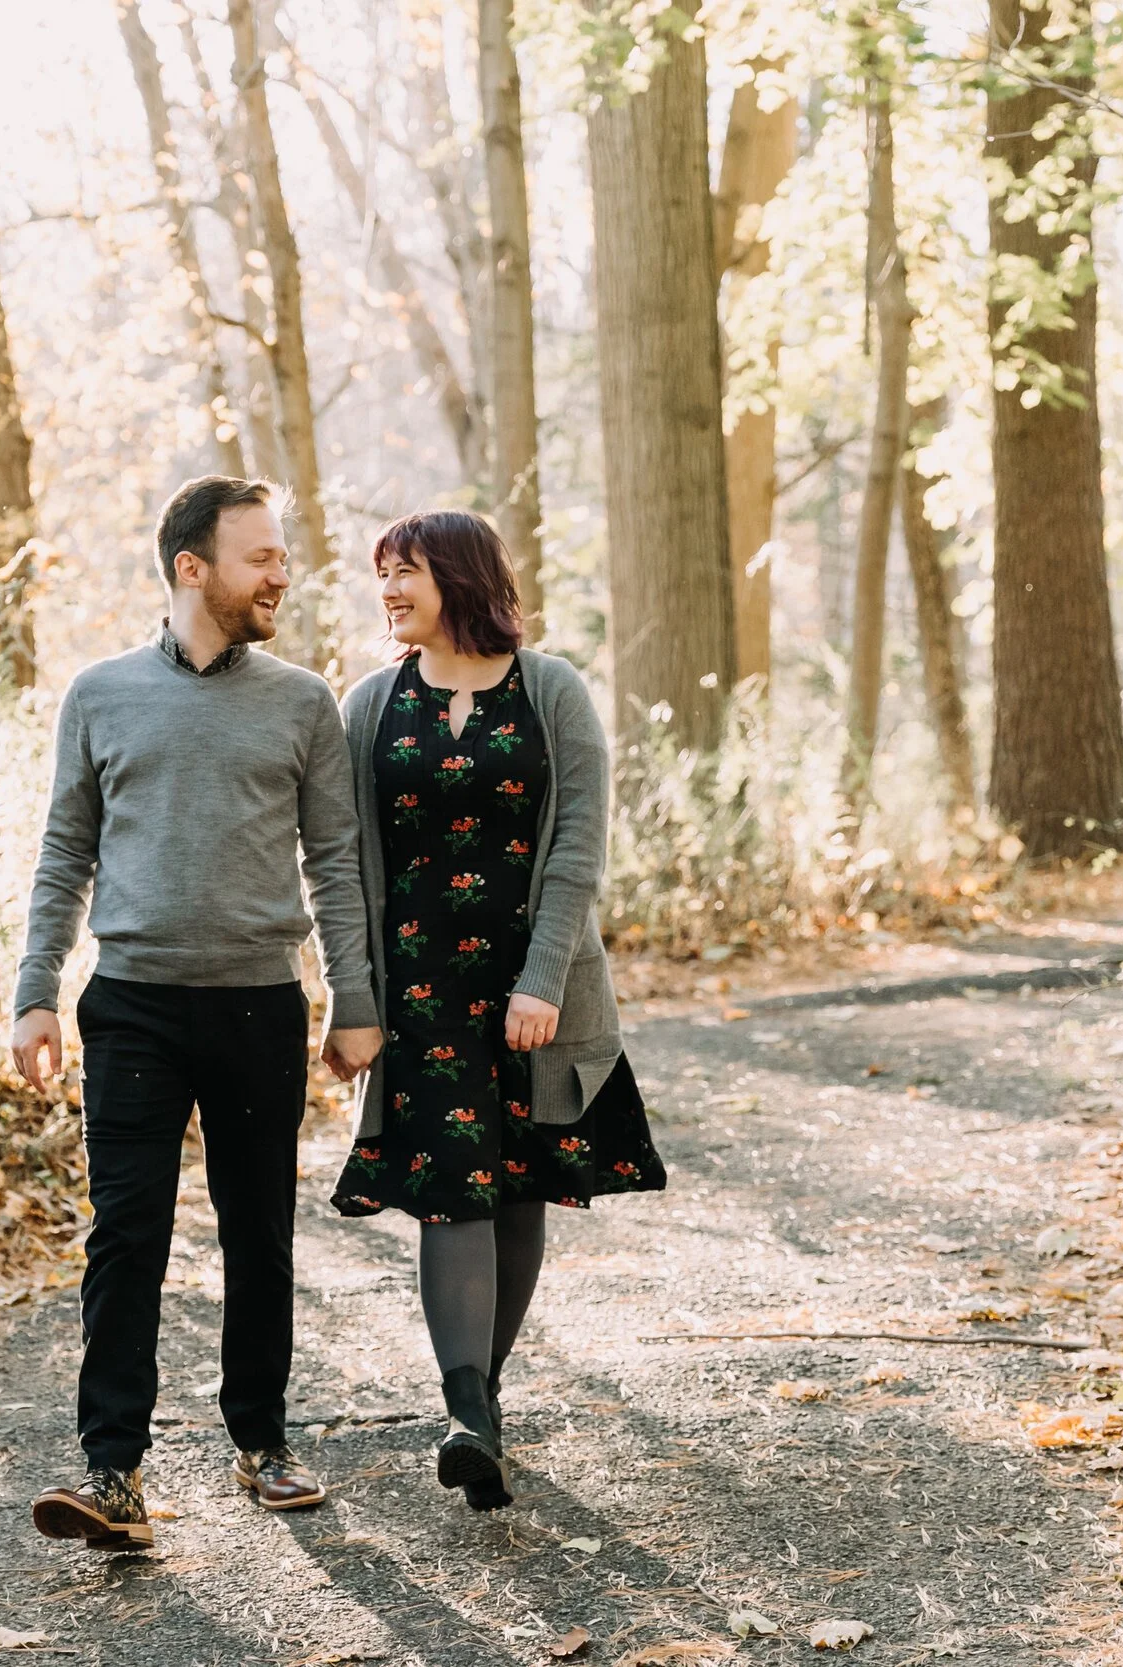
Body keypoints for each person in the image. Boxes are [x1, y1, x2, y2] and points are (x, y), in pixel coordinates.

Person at [10, 475, 385, 1551]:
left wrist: (353, 1000)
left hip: (258, 1005)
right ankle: (111, 1470)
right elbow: (64, 851)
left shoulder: (302, 700)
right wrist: (35, 987)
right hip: (128, 1005)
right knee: (126, 1235)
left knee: (257, 1232)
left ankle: (262, 1440)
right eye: (259, 557)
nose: (280, 575)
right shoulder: (100, 692)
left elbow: (333, 862)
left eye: (278, 556)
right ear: (191, 567)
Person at [330, 509, 666, 1510]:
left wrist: (543, 980)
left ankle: (485, 1408)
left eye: (406, 571)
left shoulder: (551, 690)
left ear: (462, 576)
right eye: (381, 574)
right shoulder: (369, 703)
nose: (388, 590)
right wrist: (351, 992)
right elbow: (344, 866)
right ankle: (466, 1407)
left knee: (516, 1185)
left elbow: (577, 850)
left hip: (532, 987)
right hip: (417, 990)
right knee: (450, 1188)